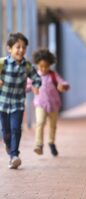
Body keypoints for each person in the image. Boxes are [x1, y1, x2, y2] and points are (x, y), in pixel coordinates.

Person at [0, 32, 41, 169]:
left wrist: (36, 86)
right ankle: (8, 144)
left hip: (18, 103)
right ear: (9, 48)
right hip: (2, 104)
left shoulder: (27, 66)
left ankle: (14, 156)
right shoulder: (2, 63)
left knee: (16, 129)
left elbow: (36, 78)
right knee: (5, 132)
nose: (21, 50)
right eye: (18, 47)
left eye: (24, 47)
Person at [29, 49, 69, 156]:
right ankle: (39, 145)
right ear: (37, 64)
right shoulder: (34, 76)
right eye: (41, 66)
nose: (43, 69)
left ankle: (51, 142)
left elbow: (63, 83)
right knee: (40, 122)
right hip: (40, 104)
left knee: (52, 126)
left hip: (53, 105)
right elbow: (27, 85)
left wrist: (63, 86)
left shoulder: (53, 75)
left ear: (50, 65)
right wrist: (32, 88)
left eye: (46, 66)